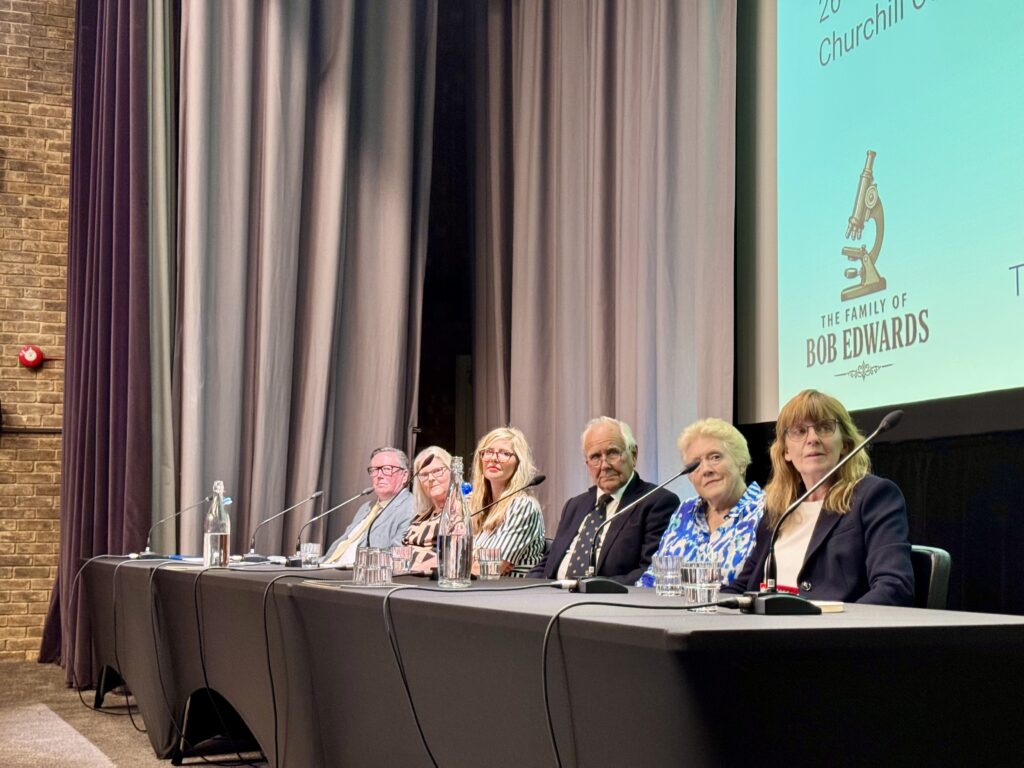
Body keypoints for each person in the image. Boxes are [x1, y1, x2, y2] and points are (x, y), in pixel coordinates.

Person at [725, 389, 914, 605]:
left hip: (832, 634)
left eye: (824, 427)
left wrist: (835, 630)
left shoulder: (873, 496)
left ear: (845, 444)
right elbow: (743, 586)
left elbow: (893, 586)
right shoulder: (779, 508)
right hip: (767, 631)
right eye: (799, 431)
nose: (812, 439)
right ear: (786, 451)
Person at [528, 416, 679, 585]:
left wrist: (587, 588)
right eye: (595, 457)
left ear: (633, 454)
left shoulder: (657, 502)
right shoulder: (574, 505)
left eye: (612, 453)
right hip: (550, 599)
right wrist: (527, 588)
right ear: (587, 464)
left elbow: (650, 571)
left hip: (607, 603)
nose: (604, 465)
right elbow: (548, 563)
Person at [637, 418, 763, 588]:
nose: (706, 470)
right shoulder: (685, 511)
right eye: (695, 465)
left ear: (741, 463)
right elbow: (653, 578)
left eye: (715, 457)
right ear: (689, 475)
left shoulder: (766, 511)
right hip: (669, 612)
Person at [469, 427, 545, 576]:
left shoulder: (523, 506)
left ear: (518, 463)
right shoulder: (479, 507)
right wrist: (477, 562)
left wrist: (480, 561)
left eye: (504, 453)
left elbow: (492, 568)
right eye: (488, 452)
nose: (493, 458)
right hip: (481, 589)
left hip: (513, 593)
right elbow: (454, 556)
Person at [322, 446, 413, 565]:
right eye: (374, 470)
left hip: (357, 575)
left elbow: (398, 556)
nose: (379, 476)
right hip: (327, 566)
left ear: (404, 475)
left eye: (386, 469)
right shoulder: (366, 507)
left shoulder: (411, 507)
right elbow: (346, 543)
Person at [404, 446, 452, 572]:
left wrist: (414, 568)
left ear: (452, 471)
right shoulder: (420, 516)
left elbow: (453, 556)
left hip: (434, 581)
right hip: (405, 578)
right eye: (424, 474)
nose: (431, 478)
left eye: (437, 471)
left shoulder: (461, 509)